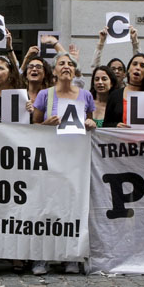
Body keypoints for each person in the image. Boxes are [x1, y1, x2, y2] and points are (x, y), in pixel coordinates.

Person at [29, 53, 95, 275]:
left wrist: (90, 122)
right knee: (46, 207)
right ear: (54, 71)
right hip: (50, 158)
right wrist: (47, 123)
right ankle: (42, 257)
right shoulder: (44, 95)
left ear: (75, 71)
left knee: (73, 207)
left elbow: (92, 122)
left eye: (70, 64)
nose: (66, 67)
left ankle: (72, 256)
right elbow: (34, 125)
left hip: (75, 160)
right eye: (61, 64)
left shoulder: (85, 96)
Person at [104, 53, 144, 128]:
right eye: (134, 64)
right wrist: (115, 125)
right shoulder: (114, 95)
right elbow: (105, 124)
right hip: (121, 139)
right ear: (128, 69)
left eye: (142, 66)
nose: (138, 68)